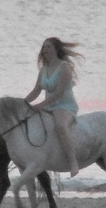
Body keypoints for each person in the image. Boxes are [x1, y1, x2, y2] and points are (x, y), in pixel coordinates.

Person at [26, 37, 82, 176]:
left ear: (57, 49)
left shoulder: (64, 67)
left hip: (64, 105)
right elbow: (36, 91)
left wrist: (40, 105)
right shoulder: (44, 69)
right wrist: (22, 103)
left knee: (60, 126)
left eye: (49, 47)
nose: (46, 50)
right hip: (48, 106)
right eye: (44, 47)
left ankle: (73, 162)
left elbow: (59, 93)